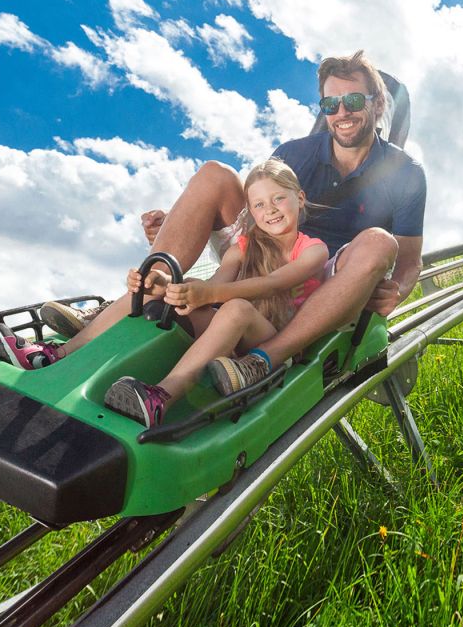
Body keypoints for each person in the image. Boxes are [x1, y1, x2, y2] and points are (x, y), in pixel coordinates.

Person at [0, 51, 426, 392]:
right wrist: (179, 227)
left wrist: (398, 291)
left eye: (353, 100)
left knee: (379, 242)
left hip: (326, 272)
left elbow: (407, 264)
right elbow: (258, 212)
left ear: (376, 103)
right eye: (331, 102)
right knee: (215, 174)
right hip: (266, 247)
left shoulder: (406, 174)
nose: (342, 112)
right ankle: (144, 294)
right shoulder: (295, 154)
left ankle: (265, 358)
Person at [98, 159, 328, 427]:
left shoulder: (313, 250)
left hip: (276, 345)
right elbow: (216, 285)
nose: (271, 210)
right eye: (259, 204)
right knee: (188, 296)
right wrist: (167, 285)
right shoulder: (242, 247)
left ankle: (161, 397)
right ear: (251, 212)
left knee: (237, 308)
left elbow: (274, 283)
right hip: (237, 336)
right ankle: (105, 360)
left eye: (278, 198)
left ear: (300, 198)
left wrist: (209, 293)